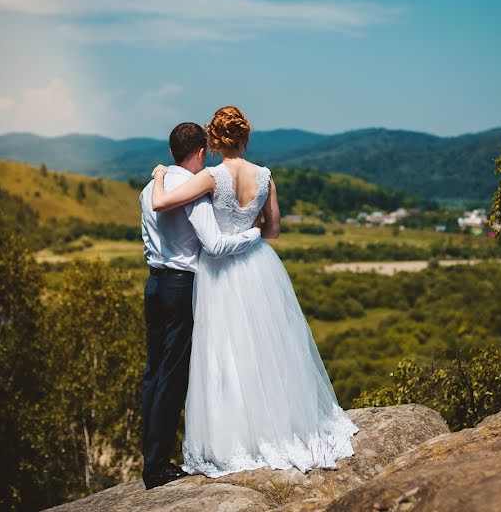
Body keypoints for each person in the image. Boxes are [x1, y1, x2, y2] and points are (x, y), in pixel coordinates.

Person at [150, 106, 358, 478]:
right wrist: (251, 227)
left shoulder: (212, 177)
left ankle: (238, 435)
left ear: (213, 140)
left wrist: (161, 173)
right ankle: (279, 424)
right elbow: (273, 230)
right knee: (269, 348)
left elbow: (162, 202)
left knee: (224, 351)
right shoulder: (265, 177)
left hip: (221, 272)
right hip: (259, 265)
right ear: (245, 137)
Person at [139, 122, 263, 489]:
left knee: (153, 372)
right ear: (198, 152)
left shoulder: (151, 187)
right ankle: (157, 465)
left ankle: (150, 455)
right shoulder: (191, 192)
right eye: (205, 152)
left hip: (154, 284)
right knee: (173, 376)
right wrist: (254, 232)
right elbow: (214, 244)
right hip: (182, 285)